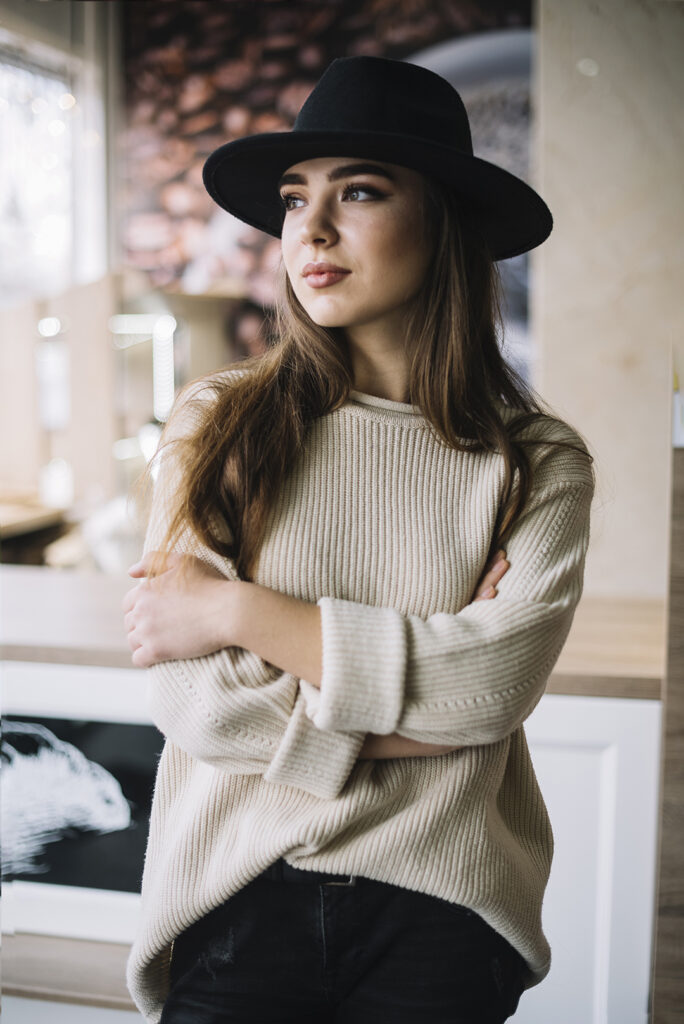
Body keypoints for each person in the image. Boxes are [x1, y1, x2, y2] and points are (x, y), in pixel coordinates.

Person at [122, 56, 594, 1024]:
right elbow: (202, 706)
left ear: (448, 221)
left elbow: (494, 688)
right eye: (297, 200)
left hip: (445, 906)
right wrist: (428, 701)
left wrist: (237, 609)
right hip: (234, 891)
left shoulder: (536, 459)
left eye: (362, 192)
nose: (312, 230)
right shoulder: (214, 422)